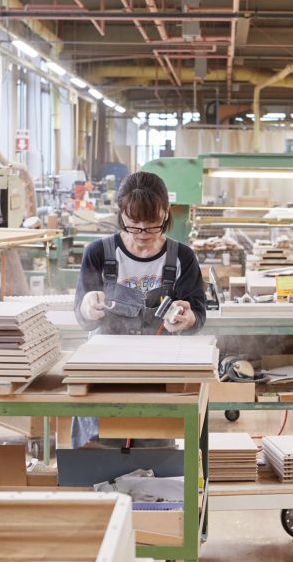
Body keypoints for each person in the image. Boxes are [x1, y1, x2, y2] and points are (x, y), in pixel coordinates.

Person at [72, 171, 207, 447]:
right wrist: (87, 309)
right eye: (134, 224)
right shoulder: (99, 253)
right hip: (103, 380)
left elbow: (198, 314)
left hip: (158, 380)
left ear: (166, 214)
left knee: (155, 469)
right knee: (95, 461)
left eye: (153, 224)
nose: (143, 233)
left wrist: (189, 317)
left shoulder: (182, 258)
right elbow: (81, 314)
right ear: (121, 213)